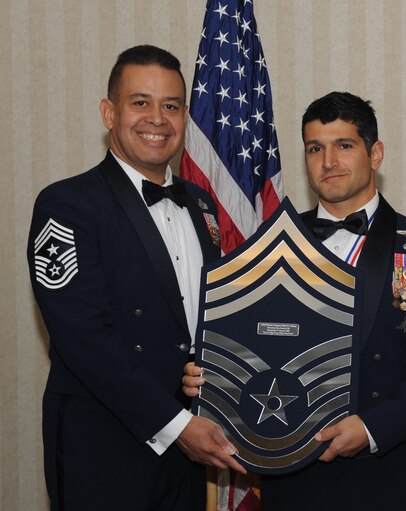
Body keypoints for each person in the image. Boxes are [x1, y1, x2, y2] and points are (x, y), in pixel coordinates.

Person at [184, 91, 406, 510]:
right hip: (292, 481)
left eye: (344, 145)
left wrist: (373, 427)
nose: (329, 162)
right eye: (315, 148)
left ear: (375, 153)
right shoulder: (271, 246)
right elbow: (244, 346)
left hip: (387, 477)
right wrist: (207, 378)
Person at [28, 45, 245, 511]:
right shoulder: (67, 206)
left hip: (186, 442)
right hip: (105, 442)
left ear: (185, 116)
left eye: (170, 106)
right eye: (140, 102)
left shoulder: (202, 206)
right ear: (109, 112)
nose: (157, 118)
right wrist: (176, 425)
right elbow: (84, 337)